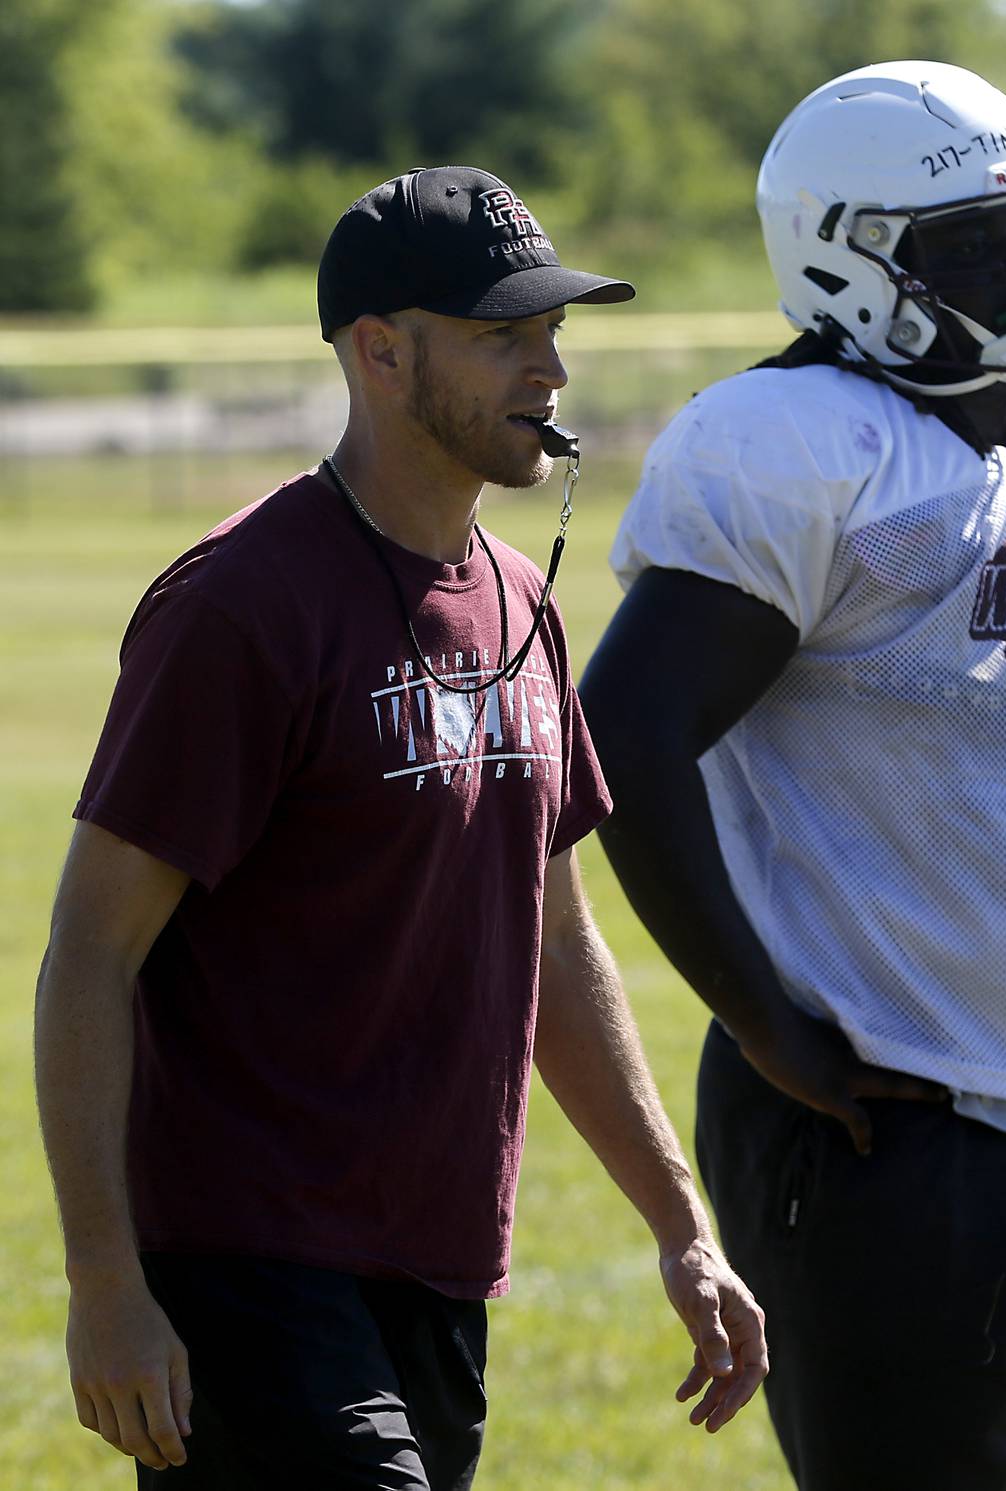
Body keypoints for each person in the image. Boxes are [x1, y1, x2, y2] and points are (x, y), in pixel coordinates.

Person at [34, 165, 766, 1489]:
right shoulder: (241, 607)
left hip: (436, 1268)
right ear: (380, 353)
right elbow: (90, 949)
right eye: (501, 335)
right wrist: (104, 1284)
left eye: (552, 332)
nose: (546, 368)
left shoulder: (519, 605)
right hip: (245, 1271)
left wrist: (679, 1222)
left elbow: (557, 941)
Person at [580, 62, 1006, 1491]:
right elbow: (626, 733)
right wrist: (761, 1020)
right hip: (896, 1117)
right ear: (847, 256)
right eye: (980, 246)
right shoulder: (796, 446)